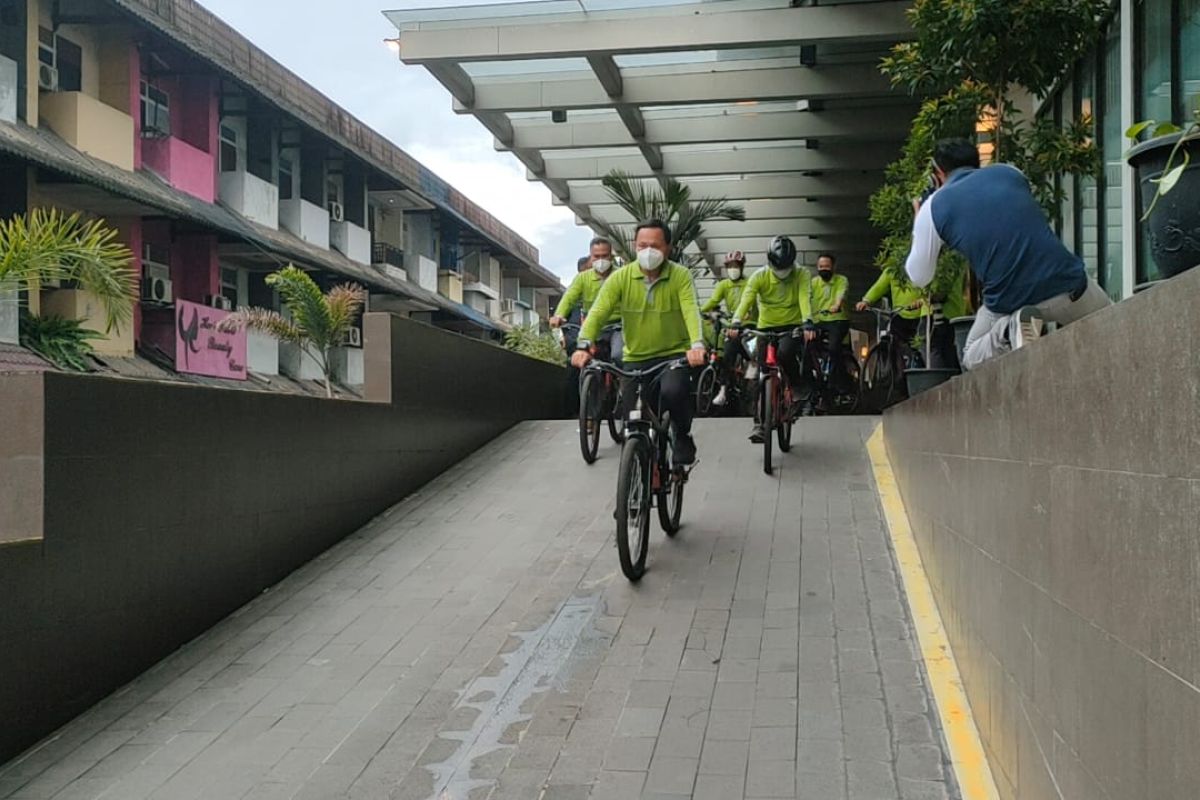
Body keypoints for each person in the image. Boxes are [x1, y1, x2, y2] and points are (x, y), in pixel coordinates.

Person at [905, 137, 1111, 370]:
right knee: (1114, 328)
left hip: (1008, 303)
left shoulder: (933, 207)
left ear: (938, 173)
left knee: (971, 354)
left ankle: (1008, 330)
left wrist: (919, 217)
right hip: (1070, 286)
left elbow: (919, 276)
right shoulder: (1010, 173)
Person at [572, 219, 707, 468]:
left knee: (674, 392)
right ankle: (634, 490)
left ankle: (682, 436)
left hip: (673, 356)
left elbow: (690, 310)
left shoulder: (680, 276)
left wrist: (696, 345)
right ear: (634, 247)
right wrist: (583, 345)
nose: (648, 251)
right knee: (632, 421)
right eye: (642, 245)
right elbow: (598, 311)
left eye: (654, 246)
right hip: (634, 359)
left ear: (668, 248)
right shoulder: (621, 278)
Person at [730, 235, 813, 442]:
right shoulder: (759, 276)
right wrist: (736, 322)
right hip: (766, 328)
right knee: (759, 374)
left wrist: (807, 322)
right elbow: (746, 300)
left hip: (791, 326)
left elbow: (804, 298)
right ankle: (759, 424)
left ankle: (795, 387)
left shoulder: (802, 274)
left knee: (785, 354)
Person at [551, 237, 622, 364]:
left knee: (619, 356)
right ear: (590, 257)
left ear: (611, 256)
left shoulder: (622, 275)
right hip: (591, 327)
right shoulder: (582, 278)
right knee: (576, 360)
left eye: (604, 256)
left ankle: (623, 383)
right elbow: (569, 298)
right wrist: (559, 315)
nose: (600, 260)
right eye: (596, 256)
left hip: (618, 327)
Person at [701, 251, 755, 407]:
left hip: (750, 326)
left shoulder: (750, 282)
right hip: (732, 327)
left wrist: (748, 315)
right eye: (729, 266)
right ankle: (723, 390)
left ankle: (753, 382)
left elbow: (753, 301)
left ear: (741, 266)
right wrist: (700, 310)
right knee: (726, 355)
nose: (733, 269)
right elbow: (713, 300)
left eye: (735, 266)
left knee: (754, 355)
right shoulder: (723, 285)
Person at [809, 253, 851, 392]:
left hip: (837, 320)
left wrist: (837, 305)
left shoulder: (841, 280)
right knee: (806, 348)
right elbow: (805, 299)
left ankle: (841, 380)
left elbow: (841, 294)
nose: (824, 269)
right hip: (818, 321)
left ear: (833, 267)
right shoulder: (813, 283)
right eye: (821, 266)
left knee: (834, 348)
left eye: (827, 266)